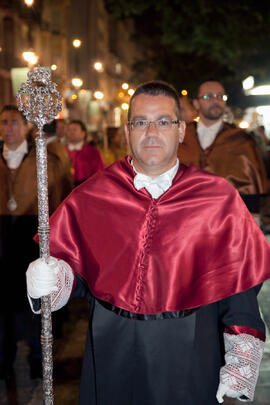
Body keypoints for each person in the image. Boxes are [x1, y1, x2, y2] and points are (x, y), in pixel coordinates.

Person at [26, 81, 270, 405]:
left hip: (192, 348)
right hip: (111, 346)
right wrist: (52, 279)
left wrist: (241, 360)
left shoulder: (217, 197)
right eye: (141, 122)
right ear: (128, 131)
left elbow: (238, 284)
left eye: (163, 122)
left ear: (181, 130)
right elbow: (77, 273)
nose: (151, 132)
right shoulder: (95, 193)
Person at [0, 105, 71, 379]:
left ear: (27, 126)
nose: (9, 128)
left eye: (15, 122)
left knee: (32, 304)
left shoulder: (43, 160)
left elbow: (59, 200)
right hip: (3, 239)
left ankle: (38, 358)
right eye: (4, 122)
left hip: (30, 239)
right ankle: (4, 361)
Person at [178, 80, 268, 217]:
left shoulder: (241, 140)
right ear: (196, 103)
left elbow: (252, 188)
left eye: (220, 96)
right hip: (185, 217)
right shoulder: (181, 137)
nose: (216, 100)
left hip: (231, 219)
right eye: (208, 96)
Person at [66, 120, 104, 186]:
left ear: (83, 133)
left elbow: (99, 173)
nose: (71, 132)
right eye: (69, 130)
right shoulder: (61, 150)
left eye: (74, 130)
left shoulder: (93, 152)